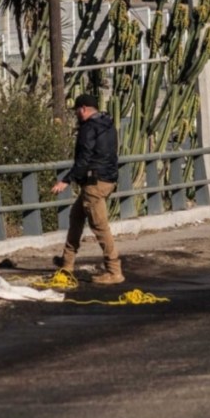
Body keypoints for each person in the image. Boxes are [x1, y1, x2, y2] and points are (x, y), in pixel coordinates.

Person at [50, 94, 123, 285]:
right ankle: (66, 264)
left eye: (76, 111)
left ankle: (114, 271)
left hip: (94, 184)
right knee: (76, 217)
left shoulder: (88, 128)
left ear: (82, 109)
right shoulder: (108, 124)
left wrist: (66, 180)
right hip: (107, 179)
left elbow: (83, 158)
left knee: (99, 226)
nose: (76, 115)